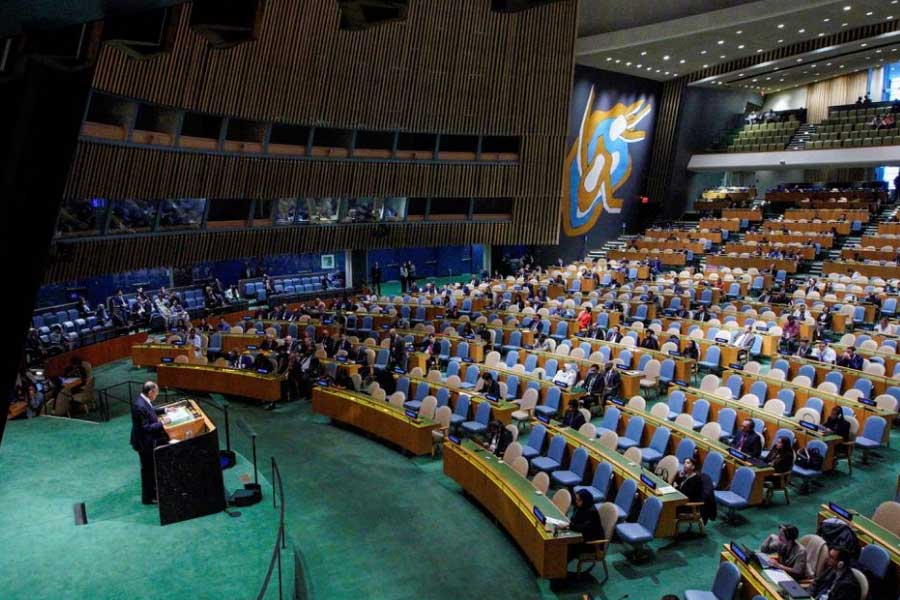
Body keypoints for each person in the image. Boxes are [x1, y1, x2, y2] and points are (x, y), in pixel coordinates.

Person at [130, 382, 171, 505]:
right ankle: (149, 497)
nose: (156, 395)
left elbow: (151, 410)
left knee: (150, 470)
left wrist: (165, 409)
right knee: (148, 471)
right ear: (150, 392)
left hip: (145, 441)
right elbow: (146, 427)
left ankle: (152, 494)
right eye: (156, 393)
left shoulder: (143, 400)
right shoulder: (139, 406)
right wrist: (163, 423)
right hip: (144, 443)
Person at [567, 489, 605, 554]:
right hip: (581, 537)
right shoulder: (579, 507)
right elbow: (573, 520)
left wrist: (570, 526)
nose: (576, 501)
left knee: (566, 547)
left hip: (591, 543)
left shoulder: (592, 512)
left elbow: (585, 528)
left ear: (586, 500)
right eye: (576, 499)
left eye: (579, 500)